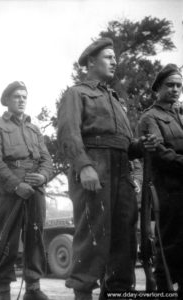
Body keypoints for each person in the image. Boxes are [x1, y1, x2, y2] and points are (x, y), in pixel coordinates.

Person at [57, 38, 159, 300]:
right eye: (108, 57)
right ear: (91, 62)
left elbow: (124, 144)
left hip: (122, 173)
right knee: (92, 234)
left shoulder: (116, 101)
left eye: (115, 58)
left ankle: (118, 293)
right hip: (95, 169)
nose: (115, 62)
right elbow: (69, 133)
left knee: (125, 238)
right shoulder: (76, 93)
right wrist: (84, 166)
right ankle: (83, 294)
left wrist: (141, 146)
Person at [0, 81, 53, 300]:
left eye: (24, 96)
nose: (22, 100)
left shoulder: (34, 128)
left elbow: (46, 158)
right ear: (7, 100)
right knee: (7, 240)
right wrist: (15, 185)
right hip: (11, 188)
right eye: (17, 96)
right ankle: (3, 289)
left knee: (35, 237)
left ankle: (32, 287)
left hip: (36, 187)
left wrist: (43, 176)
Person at [138, 64, 183, 296]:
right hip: (168, 192)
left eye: (179, 85)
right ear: (158, 88)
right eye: (170, 85)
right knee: (169, 249)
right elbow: (161, 155)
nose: (175, 90)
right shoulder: (149, 118)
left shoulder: (180, 115)